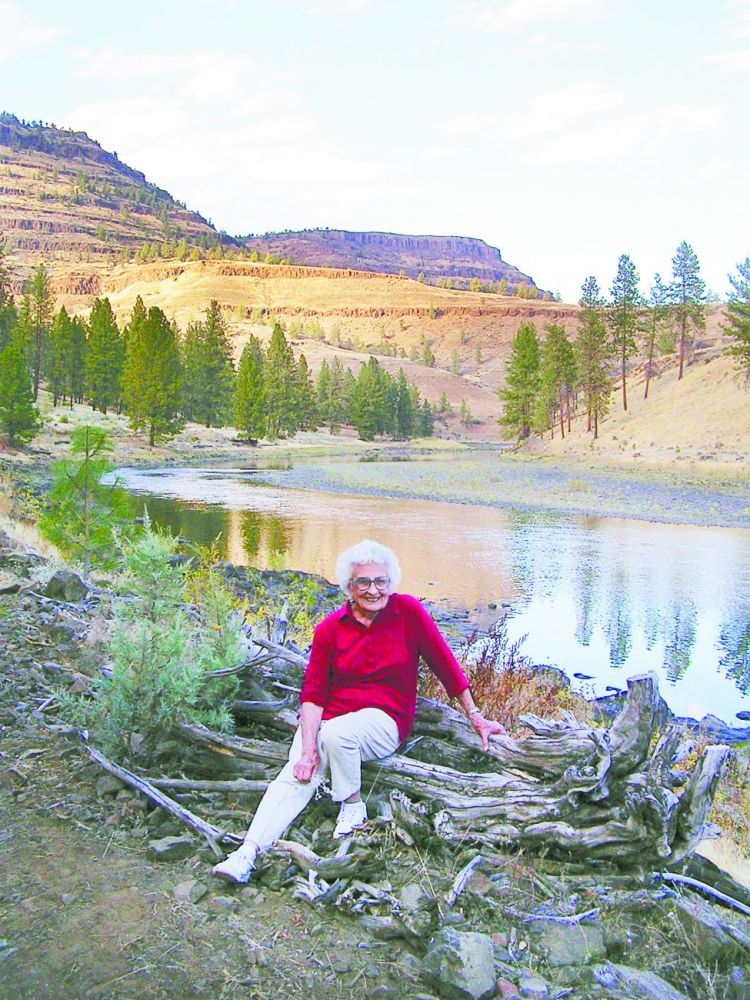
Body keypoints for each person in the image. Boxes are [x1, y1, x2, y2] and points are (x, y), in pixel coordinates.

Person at [212, 539, 505, 883]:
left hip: (385, 720)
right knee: (295, 777)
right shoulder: (330, 629)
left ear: (390, 583)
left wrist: (475, 715)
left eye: (380, 581)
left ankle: (352, 805)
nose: (373, 589)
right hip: (330, 723)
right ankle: (246, 854)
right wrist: (307, 751)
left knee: (338, 735)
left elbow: (444, 663)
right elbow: (313, 695)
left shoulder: (408, 613)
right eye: (363, 582)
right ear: (348, 587)